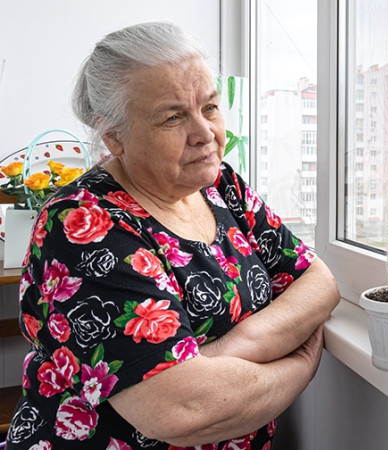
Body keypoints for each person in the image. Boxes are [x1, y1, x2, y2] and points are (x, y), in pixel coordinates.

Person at [5, 22, 340, 449]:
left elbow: (318, 283)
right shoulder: (81, 223)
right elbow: (181, 409)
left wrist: (221, 355)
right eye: (173, 116)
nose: (205, 134)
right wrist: (300, 365)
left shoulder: (221, 186)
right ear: (115, 137)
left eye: (211, 108)